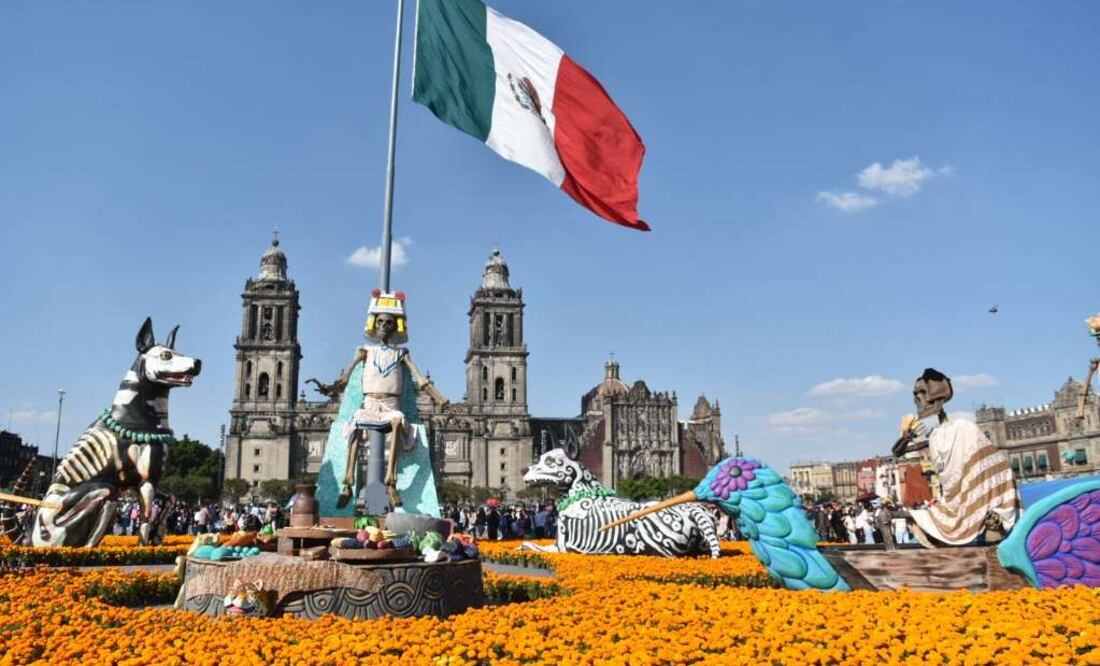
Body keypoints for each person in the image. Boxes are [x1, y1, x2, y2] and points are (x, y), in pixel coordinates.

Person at [893, 369, 1018, 545]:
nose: (918, 400)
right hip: (954, 500)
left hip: (975, 499)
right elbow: (897, 452)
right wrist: (906, 436)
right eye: (916, 395)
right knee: (922, 520)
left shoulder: (962, 428)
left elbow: (990, 462)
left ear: (936, 396)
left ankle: (990, 519)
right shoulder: (935, 435)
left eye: (922, 393)